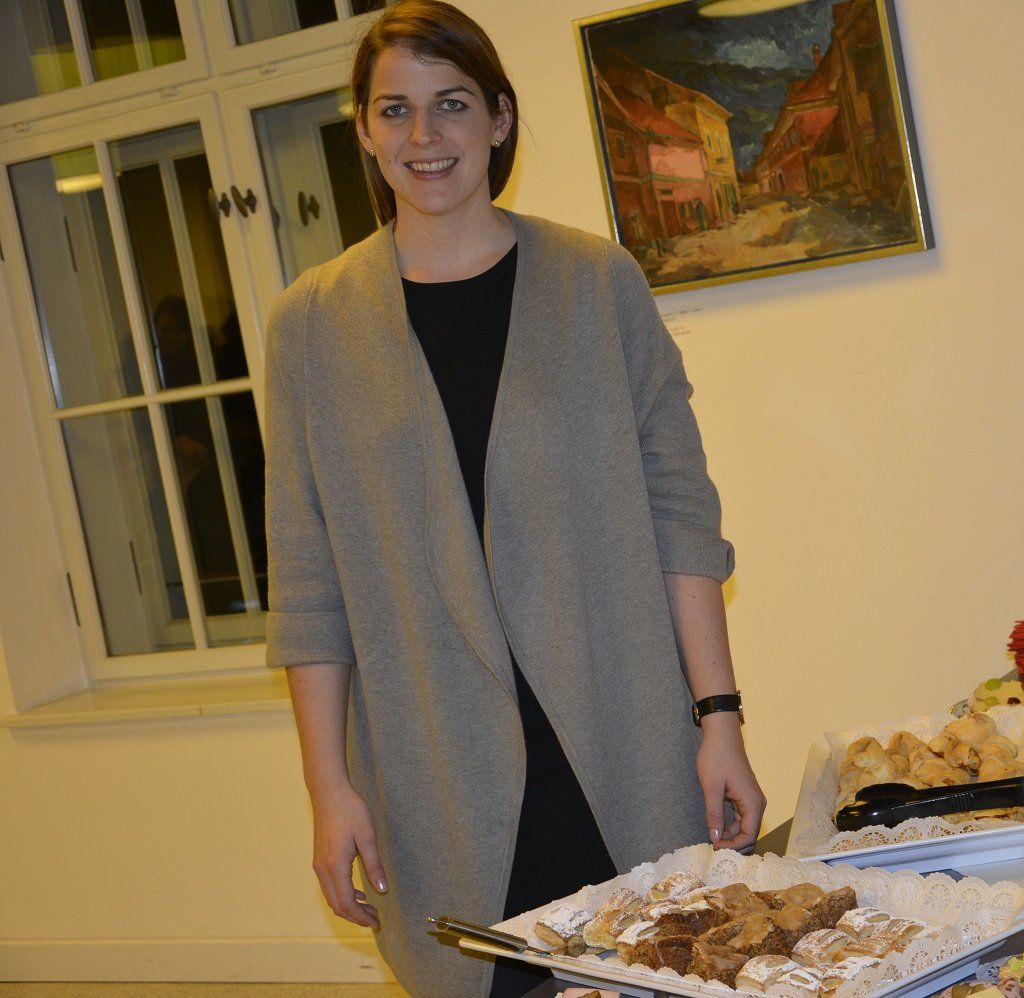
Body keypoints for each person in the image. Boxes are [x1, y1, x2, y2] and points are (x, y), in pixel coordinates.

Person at [262, 3, 766, 995]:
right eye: (394, 110)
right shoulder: (311, 327)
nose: (424, 135)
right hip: (435, 772)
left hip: (618, 738)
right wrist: (330, 788)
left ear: (498, 118)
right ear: (363, 130)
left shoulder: (596, 282)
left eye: (451, 104)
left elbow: (680, 516)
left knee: (663, 965)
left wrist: (719, 719)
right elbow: (307, 579)